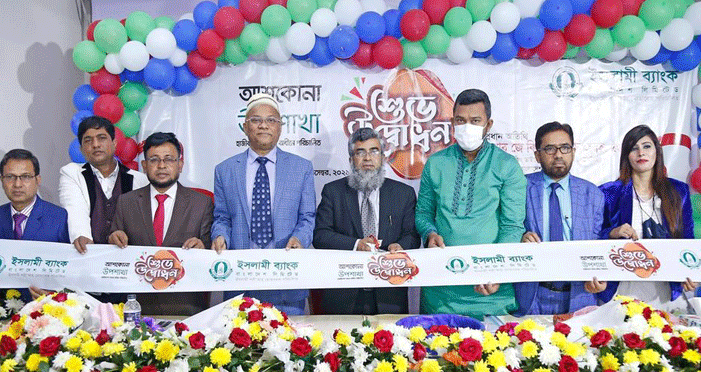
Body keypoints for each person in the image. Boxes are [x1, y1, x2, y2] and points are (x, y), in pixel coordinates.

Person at [415, 89, 526, 318]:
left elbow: (512, 226)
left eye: (475, 121)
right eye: (460, 120)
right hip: (441, 290)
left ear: (488, 124)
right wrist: (429, 233)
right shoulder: (435, 163)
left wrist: (497, 271)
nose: (467, 127)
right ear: (452, 123)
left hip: (490, 290)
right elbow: (423, 213)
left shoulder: (506, 165)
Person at [211, 93, 316, 315]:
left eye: (271, 120)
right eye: (256, 120)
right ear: (245, 127)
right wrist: (220, 236)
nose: (264, 125)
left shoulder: (301, 168)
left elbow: (307, 217)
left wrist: (300, 239)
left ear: (280, 127)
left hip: (286, 279)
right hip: (240, 280)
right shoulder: (225, 170)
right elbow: (222, 217)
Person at [313, 127, 420, 314]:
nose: (368, 158)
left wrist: (400, 246)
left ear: (383, 158)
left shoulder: (403, 194)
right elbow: (321, 236)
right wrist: (357, 244)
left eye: (374, 151)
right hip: (343, 294)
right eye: (360, 152)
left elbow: (412, 235)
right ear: (351, 160)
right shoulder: (333, 192)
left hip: (389, 294)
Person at [109, 132, 213, 315]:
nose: (162, 165)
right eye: (154, 159)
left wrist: (202, 247)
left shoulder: (201, 203)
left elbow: (211, 255)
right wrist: (114, 240)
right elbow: (114, 252)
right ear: (144, 166)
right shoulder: (126, 202)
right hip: (137, 307)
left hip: (186, 308)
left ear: (180, 165)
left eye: (169, 159)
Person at [515, 122, 607, 316]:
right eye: (549, 149)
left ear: (573, 152)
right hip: (532, 294)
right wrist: (520, 238)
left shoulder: (592, 195)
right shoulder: (520, 187)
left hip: (579, 294)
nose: (558, 155)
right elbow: (506, 229)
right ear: (537, 155)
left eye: (565, 148)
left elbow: (599, 245)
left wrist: (600, 277)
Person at [600, 125, 696, 311]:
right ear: (626, 156)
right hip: (622, 290)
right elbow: (594, 238)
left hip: (665, 291)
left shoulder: (678, 191)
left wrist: (690, 273)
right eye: (634, 148)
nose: (641, 153)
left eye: (646, 146)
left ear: (657, 152)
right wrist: (612, 232)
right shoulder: (609, 192)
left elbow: (687, 239)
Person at [0, 149, 69, 300]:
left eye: (25, 177)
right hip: (7, 306)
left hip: (48, 307)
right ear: (2, 180)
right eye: (10, 177)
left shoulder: (59, 217)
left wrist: (55, 295)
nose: (17, 184)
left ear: (38, 180)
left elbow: (71, 268)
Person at [60, 116, 148, 254]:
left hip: (128, 256)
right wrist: (82, 237)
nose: (95, 145)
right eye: (88, 140)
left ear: (114, 143)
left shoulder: (140, 180)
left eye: (102, 138)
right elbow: (74, 209)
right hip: (87, 255)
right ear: (81, 149)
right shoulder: (72, 173)